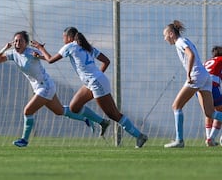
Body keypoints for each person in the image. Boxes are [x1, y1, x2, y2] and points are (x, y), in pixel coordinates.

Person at [31, 27, 148, 148]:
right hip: (94, 82)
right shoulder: (85, 46)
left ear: (69, 38)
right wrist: (40, 57)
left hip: (96, 83)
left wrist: (40, 48)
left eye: (63, 37)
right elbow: (106, 61)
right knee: (74, 107)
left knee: (113, 114)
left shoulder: (70, 46)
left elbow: (50, 60)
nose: (63, 40)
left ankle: (140, 136)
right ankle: (102, 122)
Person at [0, 31, 110, 147]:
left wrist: (40, 55)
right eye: (16, 41)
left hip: (45, 86)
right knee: (60, 111)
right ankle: (89, 119)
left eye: (20, 41)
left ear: (26, 43)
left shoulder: (30, 52)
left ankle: (24, 140)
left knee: (27, 111)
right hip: (39, 87)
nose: (17, 43)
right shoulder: (12, 54)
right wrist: (5, 48)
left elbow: (48, 58)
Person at [162, 20, 222, 148]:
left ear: (171, 33)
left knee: (176, 106)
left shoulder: (180, 42)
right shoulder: (185, 40)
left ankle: (179, 140)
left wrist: (188, 74)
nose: (165, 38)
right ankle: (180, 140)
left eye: (165, 35)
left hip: (196, 76)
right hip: (205, 76)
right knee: (210, 113)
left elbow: (191, 55)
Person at [203, 46, 222, 146]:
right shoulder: (221, 59)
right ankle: (212, 137)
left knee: (209, 112)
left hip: (200, 88)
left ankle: (208, 138)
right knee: (219, 111)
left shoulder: (208, 61)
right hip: (213, 85)